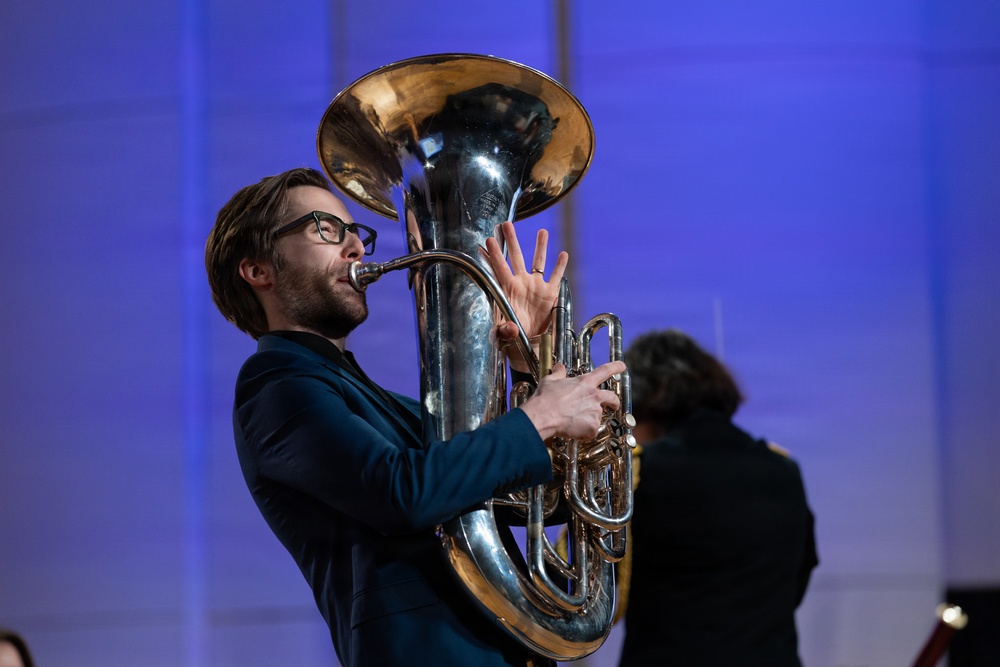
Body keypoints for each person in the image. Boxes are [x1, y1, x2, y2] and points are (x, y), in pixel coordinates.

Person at [204, 167, 624, 667]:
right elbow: (401, 493)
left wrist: (527, 366)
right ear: (258, 271)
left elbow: (520, 500)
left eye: (355, 232)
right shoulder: (273, 385)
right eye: (324, 228)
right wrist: (540, 419)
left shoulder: (382, 402)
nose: (357, 248)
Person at [617, 329, 818, 667]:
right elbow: (799, 574)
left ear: (645, 400)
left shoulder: (640, 472)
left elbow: (594, 591)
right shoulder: (783, 469)